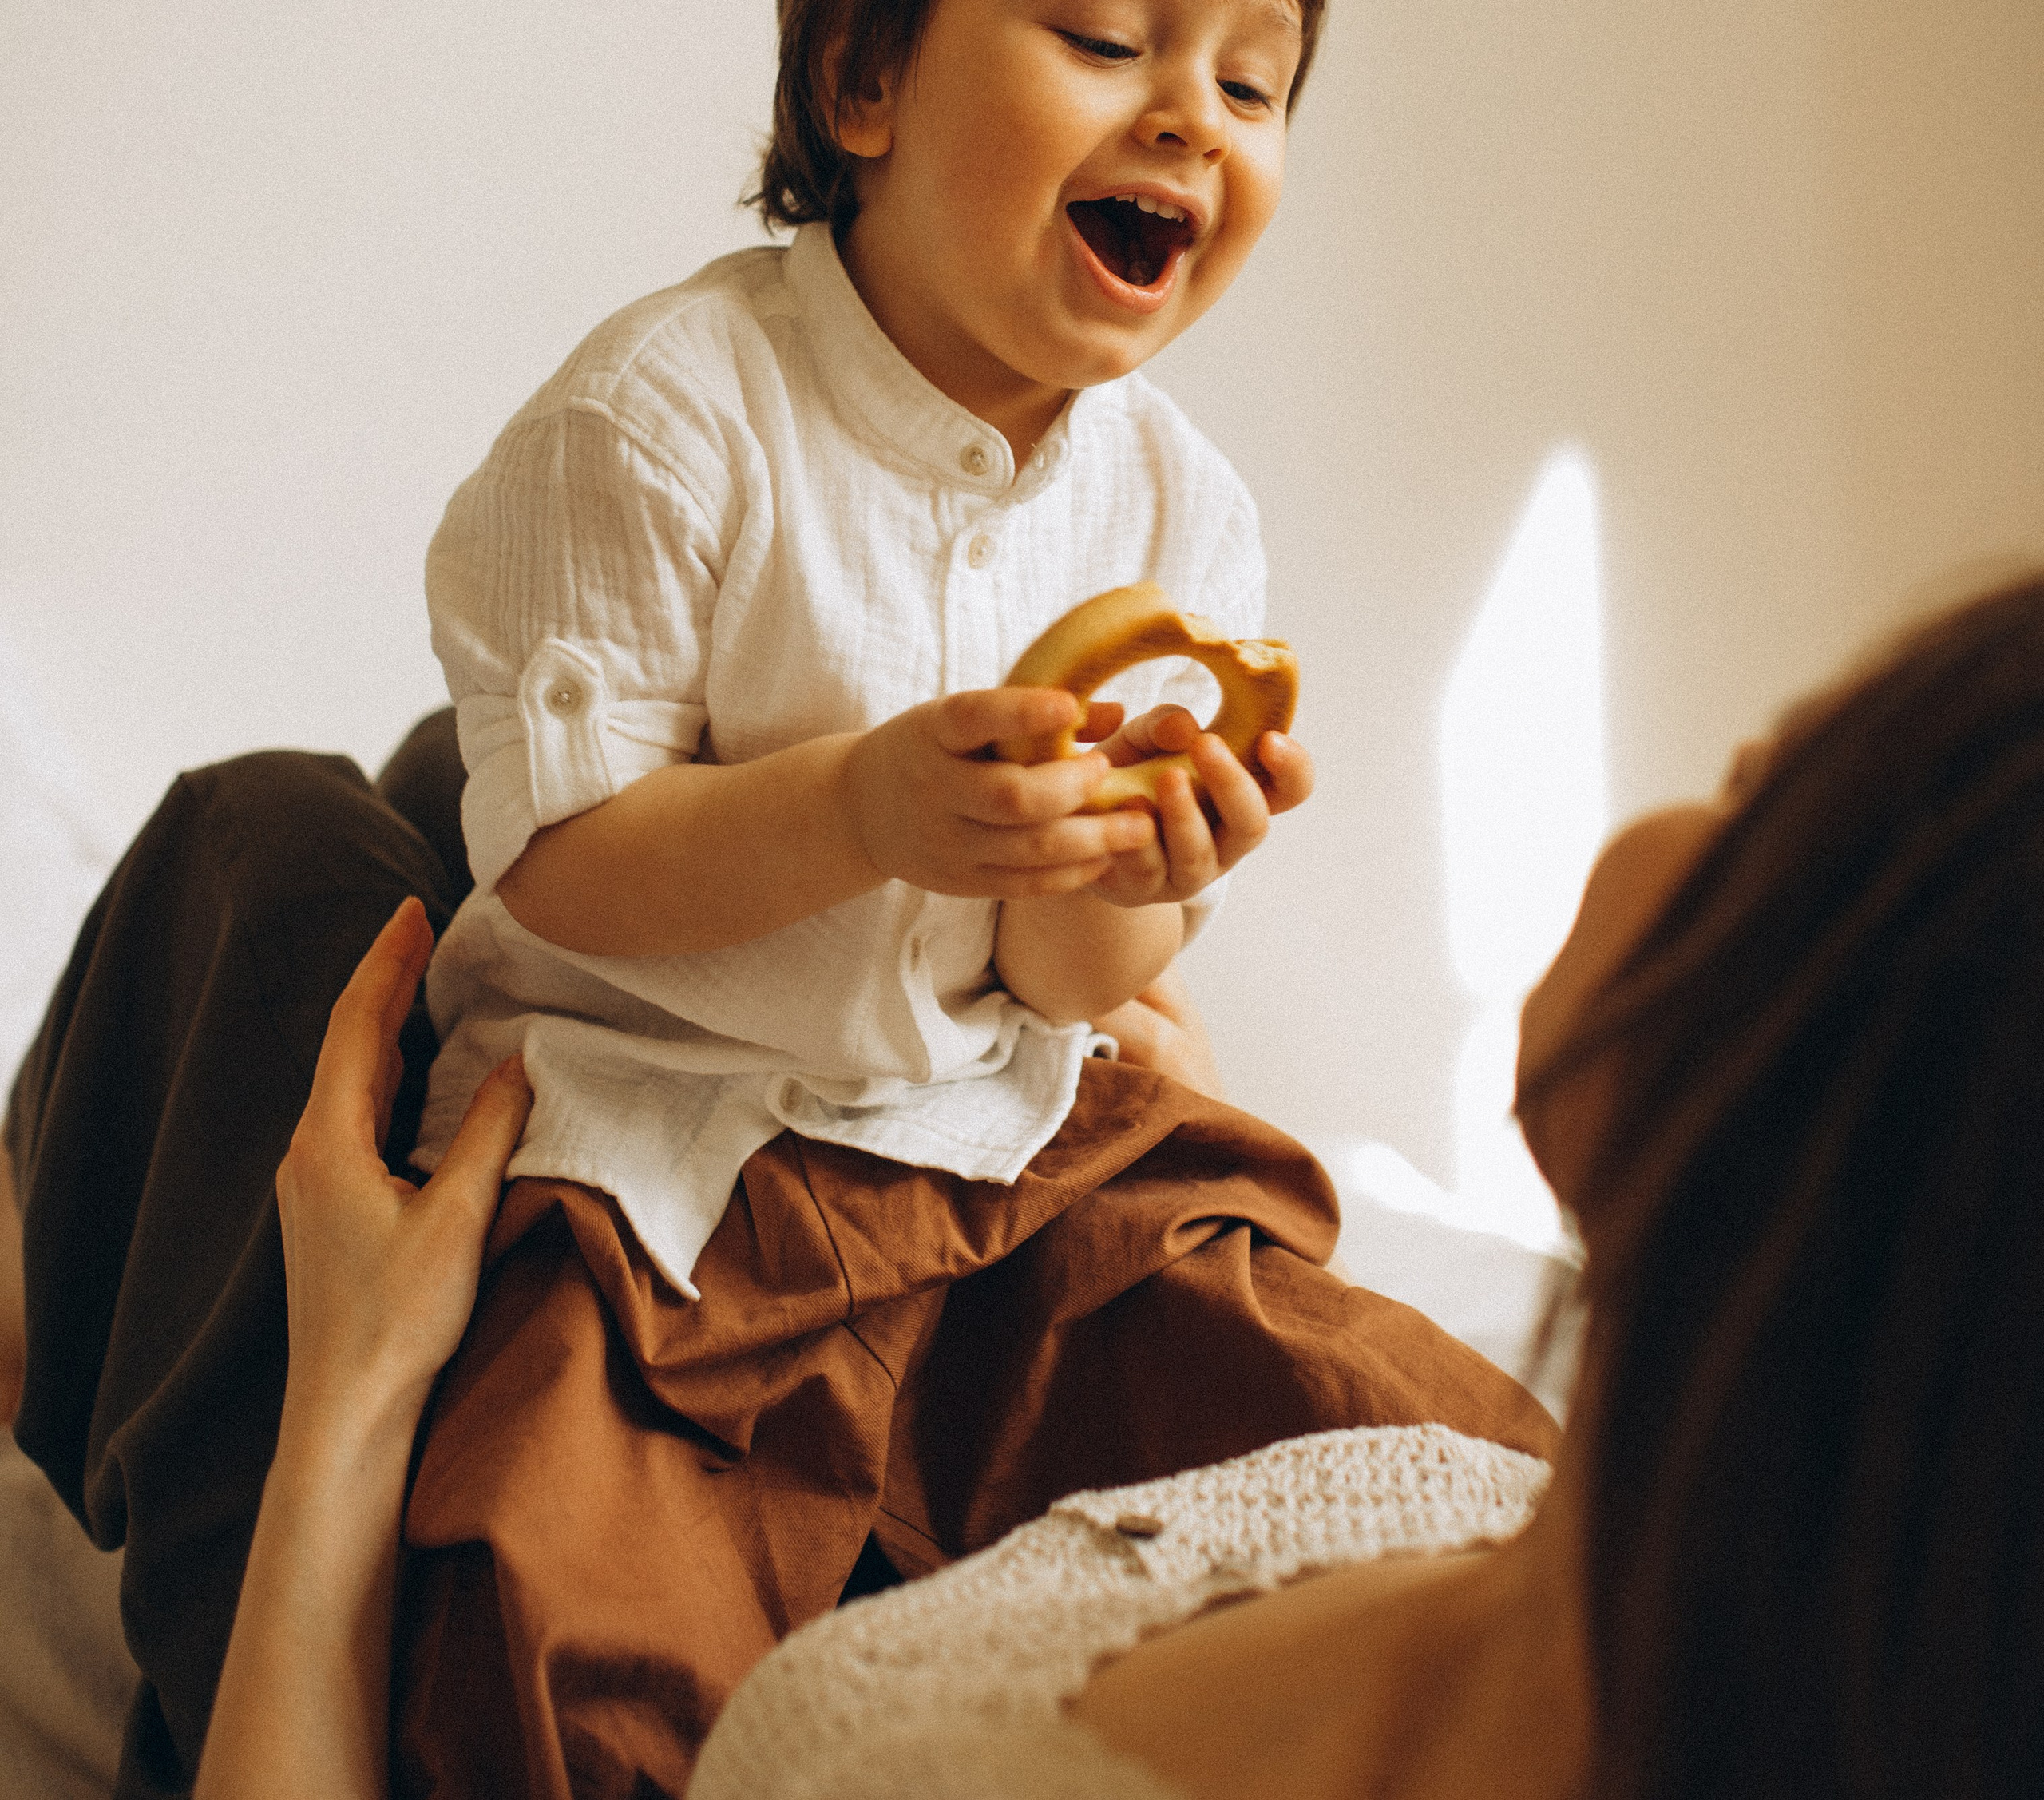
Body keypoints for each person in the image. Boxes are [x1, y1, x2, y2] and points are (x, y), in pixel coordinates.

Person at [6, 0, 1552, 1799]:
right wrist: (858, 801)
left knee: (1376, 1417)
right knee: (558, 1627)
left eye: (1254, 79)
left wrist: (1142, 879)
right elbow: (554, 861)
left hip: (989, 1144)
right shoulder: (668, 418)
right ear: (864, 71)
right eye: (1106, 41)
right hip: (674, 1155)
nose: (1193, 115)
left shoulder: (1183, 508)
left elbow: (1069, 987)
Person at [189, 569, 2044, 1798]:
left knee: (266, 844)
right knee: (485, 788)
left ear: (1821, 1132)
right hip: (940, 1306)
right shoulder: (1493, 1468)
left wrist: (346, 1401)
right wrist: (1125, 1134)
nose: (1694, 790)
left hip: (486, 1575)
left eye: (1759, 791)